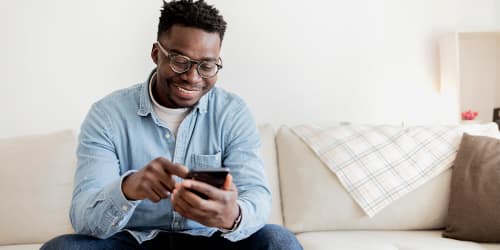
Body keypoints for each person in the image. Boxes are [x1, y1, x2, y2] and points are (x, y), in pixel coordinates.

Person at [41, 0, 302, 249]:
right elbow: (83, 217)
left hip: (211, 240)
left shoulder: (232, 113)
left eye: (206, 66)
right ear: (156, 54)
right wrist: (128, 188)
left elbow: (256, 195)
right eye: (180, 61)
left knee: (279, 241)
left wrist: (233, 216)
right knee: (60, 247)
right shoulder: (107, 115)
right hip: (134, 241)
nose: (192, 77)